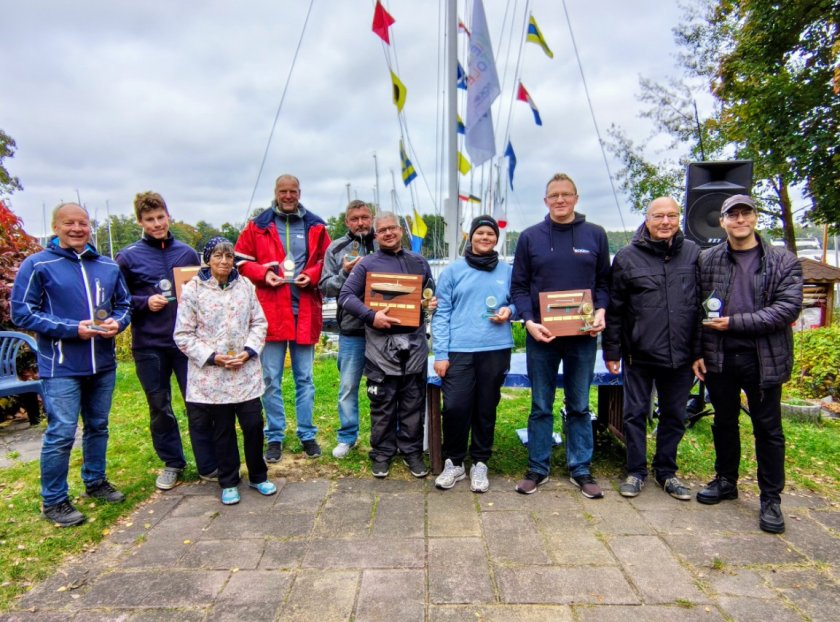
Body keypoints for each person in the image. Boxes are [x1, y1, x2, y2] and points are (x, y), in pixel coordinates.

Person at [11, 203, 131, 527]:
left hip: (102, 363)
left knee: (98, 426)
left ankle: (96, 481)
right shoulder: (38, 265)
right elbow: (22, 312)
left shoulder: (107, 266)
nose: (77, 228)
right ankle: (54, 501)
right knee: (62, 433)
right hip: (62, 365)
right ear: (56, 227)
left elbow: (124, 305)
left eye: (83, 223)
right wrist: (70, 329)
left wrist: (118, 324)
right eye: (69, 223)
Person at [693, 194, 802, 534]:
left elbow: (787, 308)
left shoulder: (783, 260)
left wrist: (735, 323)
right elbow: (695, 308)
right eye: (732, 215)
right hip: (719, 357)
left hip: (763, 358)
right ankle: (726, 480)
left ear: (755, 218)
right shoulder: (707, 259)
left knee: (768, 430)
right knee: (724, 422)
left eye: (745, 213)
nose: (739, 220)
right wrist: (697, 351)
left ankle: (771, 498)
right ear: (722, 221)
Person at [510, 173, 610, 497]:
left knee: (579, 405)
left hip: (582, 337)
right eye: (554, 195)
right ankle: (537, 467)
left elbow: (605, 284)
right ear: (545, 200)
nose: (560, 200)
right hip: (543, 336)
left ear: (576, 198)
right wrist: (527, 321)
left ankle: (580, 467)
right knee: (541, 405)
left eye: (566, 194)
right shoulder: (529, 238)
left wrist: (601, 311)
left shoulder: (595, 235)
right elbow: (519, 287)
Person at [116, 191, 218, 490]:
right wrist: (144, 302)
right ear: (140, 221)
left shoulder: (186, 253)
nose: (157, 224)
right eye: (150, 220)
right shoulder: (127, 256)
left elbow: (204, 294)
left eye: (161, 217)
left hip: (186, 343)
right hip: (149, 344)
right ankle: (172, 462)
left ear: (168, 216)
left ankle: (208, 463)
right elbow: (118, 299)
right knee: (160, 406)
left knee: (198, 403)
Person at [603, 197, 700, 501]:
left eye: (672, 215)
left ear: (679, 218)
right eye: (659, 216)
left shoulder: (694, 254)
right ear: (646, 219)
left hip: (681, 355)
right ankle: (635, 471)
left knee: (674, 414)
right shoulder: (627, 258)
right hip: (639, 353)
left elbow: (701, 308)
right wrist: (612, 352)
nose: (665, 222)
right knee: (634, 414)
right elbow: (615, 309)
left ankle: (666, 471)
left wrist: (700, 351)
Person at [235, 174, 331, 462]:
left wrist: (312, 276)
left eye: (293, 191)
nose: (288, 196)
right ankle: (274, 435)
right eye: (283, 191)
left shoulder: (316, 225)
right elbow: (241, 260)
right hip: (271, 312)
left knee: (305, 378)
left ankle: (307, 433)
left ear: (300, 192)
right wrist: (264, 273)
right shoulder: (257, 225)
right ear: (275, 192)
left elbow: (327, 262)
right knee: (270, 378)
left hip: (304, 309)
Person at [174, 237, 276, 505]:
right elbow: (183, 334)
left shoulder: (246, 286)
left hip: (245, 370)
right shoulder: (193, 290)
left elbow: (259, 323)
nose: (223, 261)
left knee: (254, 424)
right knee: (223, 429)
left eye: (229, 256)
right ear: (208, 259)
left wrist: (249, 350)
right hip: (213, 374)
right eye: (217, 256)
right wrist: (213, 358)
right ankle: (229, 481)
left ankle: (258, 475)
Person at [338, 211, 435, 479]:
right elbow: (345, 296)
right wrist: (372, 316)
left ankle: (412, 452)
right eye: (382, 231)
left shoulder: (419, 262)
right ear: (376, 235)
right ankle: (381, 453)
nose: (389, 233)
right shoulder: (367, 264)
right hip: (380, 346)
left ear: (401, 230)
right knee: (382, 402)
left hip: (414, 344)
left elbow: (430, 295)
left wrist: (431, 304)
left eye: (392, 228)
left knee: (413, 401)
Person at [432, 215, 514, 493]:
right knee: (455, 407)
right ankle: (454, 462)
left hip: (495, 348)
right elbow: (441, 313)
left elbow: (518, 301)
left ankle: (480, 462)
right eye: (480, 233)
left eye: (490, 234)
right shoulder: (453, 271)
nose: (485, 238)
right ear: (471, 237)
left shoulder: (506, 271)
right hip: (459, 350)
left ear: (496, 239)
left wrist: (510, 312)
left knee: (486, 407)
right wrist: (440, 353)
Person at [318, 199, 376, 459]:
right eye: (355, 218)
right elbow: (325, 286)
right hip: (351, 328)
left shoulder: (384, 241)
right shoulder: (337, 248)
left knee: (386, 387)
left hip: (384, 330)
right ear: (347, 222)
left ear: (372, 218)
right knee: (348, 387)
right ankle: (348, 436)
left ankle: (386, 435)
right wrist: (344, 273)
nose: (361, 222)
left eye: (365, 217)